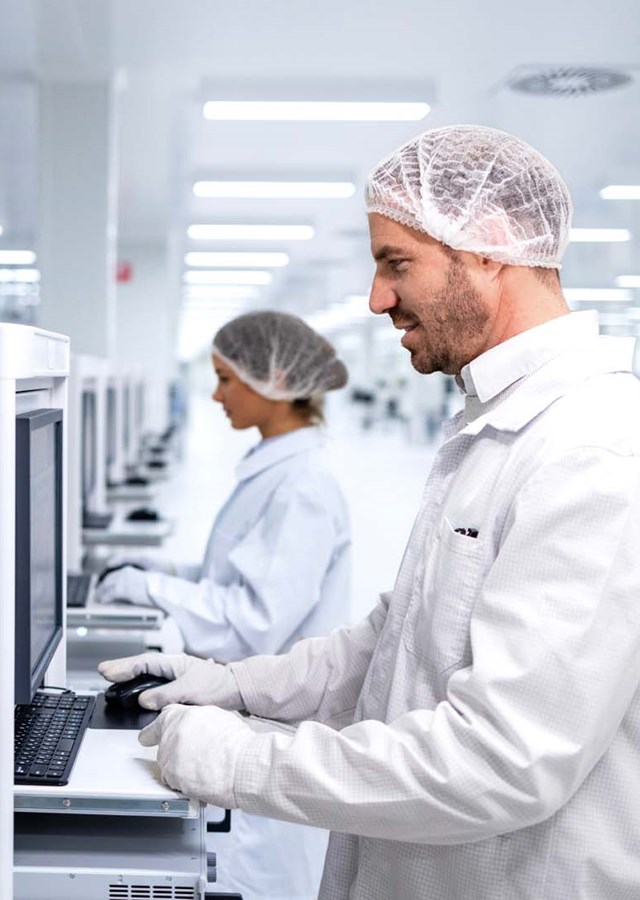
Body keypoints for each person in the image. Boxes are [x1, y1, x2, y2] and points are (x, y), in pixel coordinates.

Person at [99, 125, 640, 900]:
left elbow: (503, 760)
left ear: (488, 248)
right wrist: (234, 686)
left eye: (396, 263)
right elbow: (395, 641)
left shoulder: (592, 448)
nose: (376, 297)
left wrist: (238, 758)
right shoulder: (493, 428)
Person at [96, 310, 352, 900]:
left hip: (275, 729)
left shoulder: (302, 484)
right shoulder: (276, 468)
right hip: (253, 716)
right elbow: (230, 575)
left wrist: (151, 588)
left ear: (275, 380)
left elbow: (253, 623)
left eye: (226, 379)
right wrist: (162, 572)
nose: (215, 394)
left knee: (262, 876)